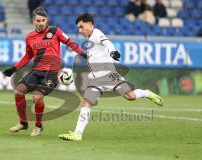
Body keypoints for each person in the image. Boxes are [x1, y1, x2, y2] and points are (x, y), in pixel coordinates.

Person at [58, 13, 163, 141]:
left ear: (90, 24)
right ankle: (77, 133)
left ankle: (146, 93)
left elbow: (107, 43)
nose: (80, 30)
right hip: (95, 78)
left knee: (130, 96)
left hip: (109, 74)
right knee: (86, 102)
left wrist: (112, 52)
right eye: (78, 28)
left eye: (81, 27)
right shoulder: (90, 39)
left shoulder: (96, 33)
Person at [3, 7, 87, 137]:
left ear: (47, 20)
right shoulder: (30, 37)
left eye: (43, 20)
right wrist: (14, 68)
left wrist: (83, 54)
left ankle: (38, 126)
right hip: (36, 71)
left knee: (37, 97)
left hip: (51, 72)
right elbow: (28, 56)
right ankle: (23, 122)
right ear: (33, 21)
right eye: (38, 20)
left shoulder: (55, 31)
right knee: (18, 91)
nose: (41, 23)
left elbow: (70, 43)